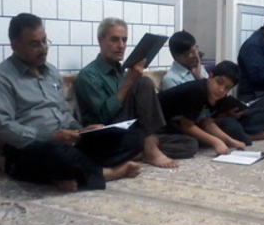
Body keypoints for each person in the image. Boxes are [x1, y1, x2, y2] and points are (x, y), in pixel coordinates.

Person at [0, 13, 142, 192]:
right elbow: (3, 127)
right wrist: (50, 137)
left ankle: (64, 175)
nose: (43, 48)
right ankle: (107, 173)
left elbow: (64, 113)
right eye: (34, 44)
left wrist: (81, 131)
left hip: (66, 143)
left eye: (44, 41)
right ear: (15, 45)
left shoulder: (51, 72)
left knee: (132, 138)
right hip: (29, 147)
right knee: (56, 154)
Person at [75, 18, 198, 169]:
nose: (121, 46)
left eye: (124, 40)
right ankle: (149, 148)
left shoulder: (121, 71)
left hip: (132, 132)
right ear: (100, 40)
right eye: (114, 40)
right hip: (107, 134)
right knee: (143, 82)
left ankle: (140, 150)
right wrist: (130, 80)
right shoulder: (89, 75)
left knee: (190, 144)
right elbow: (104, 116)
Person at [161, 30, 264, 145]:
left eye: (196, 50)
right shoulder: (171, 78)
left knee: (263, 114)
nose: (195, 56)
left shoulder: (199, 69)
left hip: (207, 116)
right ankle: (244, 136)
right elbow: (189, 114)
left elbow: (208, 99)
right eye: (190, 53)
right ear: (177, 56)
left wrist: (224, 112)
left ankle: (240, 135)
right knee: (228, 125)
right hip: (190, 121)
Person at [158, 61, 247, 155]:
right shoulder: (198, 91)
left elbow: (206, 122)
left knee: (225, 127)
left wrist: (230, 141)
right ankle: (151, 146)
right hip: (157, 123)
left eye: (227, 88)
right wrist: (216, 142)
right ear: (210, 77)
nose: (221, 90)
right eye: (219, 82)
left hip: (176, 122)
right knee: (191, 145)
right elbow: (186, 126)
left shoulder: (218, 97)